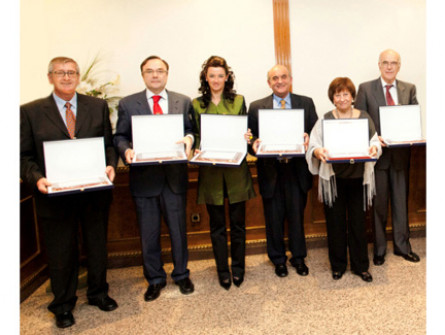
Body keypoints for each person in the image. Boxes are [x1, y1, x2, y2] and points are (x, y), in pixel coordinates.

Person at [20, 57, 118, 328]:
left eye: (71, 72)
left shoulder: (97, 106)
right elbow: (24, 156)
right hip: (54, 196)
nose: (66, 77)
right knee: (61, 252)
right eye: (60, 73)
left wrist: (111, 164)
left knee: (97, 247)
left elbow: (108, 145)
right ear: (50, 77)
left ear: (78, 77)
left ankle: (99, 294)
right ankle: (62, 305)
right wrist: (37, 178)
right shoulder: (30, 111)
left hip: (94, 192)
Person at [114, 55, 195, 301]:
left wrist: (190, 140)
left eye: (160, 71)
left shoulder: (183, 101)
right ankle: (155, 279)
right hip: (144, 179)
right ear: (143, 75)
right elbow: (119, 136)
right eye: (150, 71)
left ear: (167, 74)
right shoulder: (128, 104)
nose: (155, 75)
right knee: (148, 234)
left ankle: (181, 275)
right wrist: (125, 150)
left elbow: (192, 131)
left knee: (178, 231)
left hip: (173, 178)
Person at [306, 77, 381, 282]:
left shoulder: (364, 117)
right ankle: (338, 265)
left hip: (359, 179)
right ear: (332, 98)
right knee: (335, 224)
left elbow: (375, 142)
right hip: (334, 180)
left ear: (352, 96)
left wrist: (375, 148)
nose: (342, 98)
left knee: (358, 224)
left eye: (345, 94)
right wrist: (318, 151)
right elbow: (313, 145)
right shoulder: (325, 119)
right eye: (337, 94)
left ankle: (360, 266)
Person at [191, 55, 255, 290]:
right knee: (217, 226)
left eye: (220, 75)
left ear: (227, 77)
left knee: (238, 224)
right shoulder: (196, 104)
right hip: (211, 173)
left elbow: (245, 133)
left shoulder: (238, 101)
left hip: (236, 171)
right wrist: (195, 144)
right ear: (205, 78)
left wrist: (247, 137)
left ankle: (238, 268)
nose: (216, 79)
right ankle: (222, 271)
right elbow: (196, 134)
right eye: (212, 75)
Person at [248, 64, 318, 278]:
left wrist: (309, 138)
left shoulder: (305, 103)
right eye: (274, 78)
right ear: (269, 82)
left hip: (296, 170)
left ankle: (298, 257)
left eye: (283, 77)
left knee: (297, 217)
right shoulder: (256, 106)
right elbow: (249, 139)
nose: (279, 81)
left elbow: (315, 134)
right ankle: (278, 259)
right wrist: (253, 145)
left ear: (290, 79)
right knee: (273, 218)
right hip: (271, 170)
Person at [355, 49, 420, 265]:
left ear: (399, 66)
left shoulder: (408, 89)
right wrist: (374, 138)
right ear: (379, 65)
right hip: (378, 158)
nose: (389, 67)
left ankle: (403, 247)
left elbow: (412, 119)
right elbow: (360, 121)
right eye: (385, 62)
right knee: (379, 205)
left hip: (401, 156)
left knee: (401, 203)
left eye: (394, 63)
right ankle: (380, 249)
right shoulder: (365, 89)